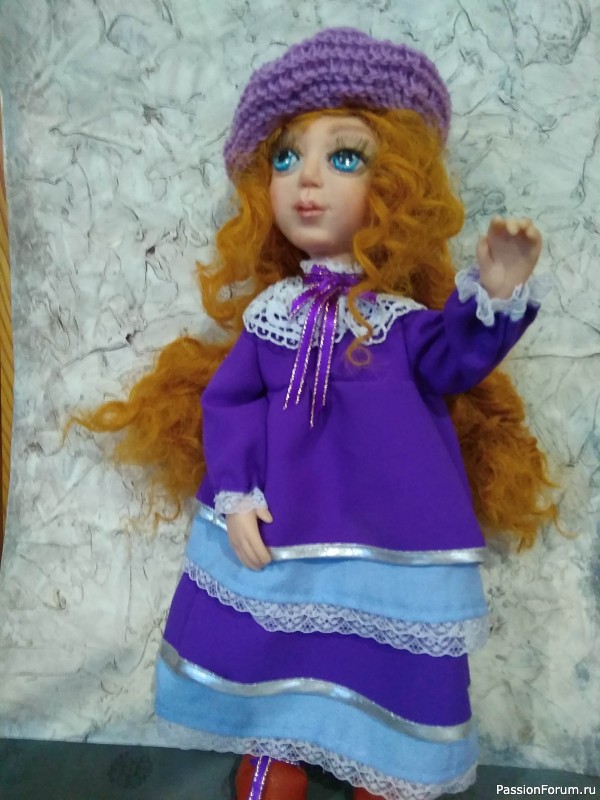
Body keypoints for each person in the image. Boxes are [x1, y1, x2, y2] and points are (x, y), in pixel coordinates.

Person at [76, 27, 557, 800]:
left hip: (390, 529)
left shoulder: (400, 322)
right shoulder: (273, 314)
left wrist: (495, 291)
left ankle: (388, 760)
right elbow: (231, 402)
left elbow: (455, 361)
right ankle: (277, 746)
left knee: (383, 651)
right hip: (286, 519)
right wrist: (235, 493)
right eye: (285, 157)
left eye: (345, 158)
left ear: (394, 186)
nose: (306, 179)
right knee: (276, 637)